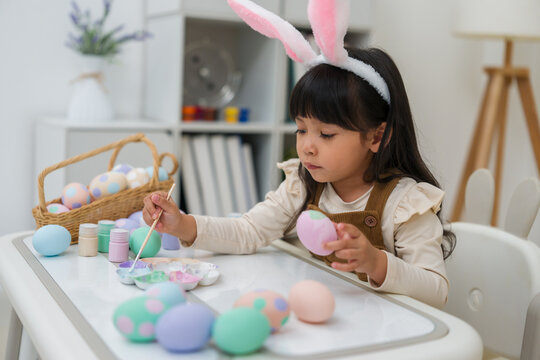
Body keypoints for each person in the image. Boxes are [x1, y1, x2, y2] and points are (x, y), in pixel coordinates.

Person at [143, 0, 455, 309]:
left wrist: (376, 263)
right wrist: (182, 224)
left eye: (326, 134)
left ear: (376, 136)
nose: (306, 146)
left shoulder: (405, 204)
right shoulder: (303, 184)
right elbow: (248, 231)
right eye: (302, 129)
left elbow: (436, 291)